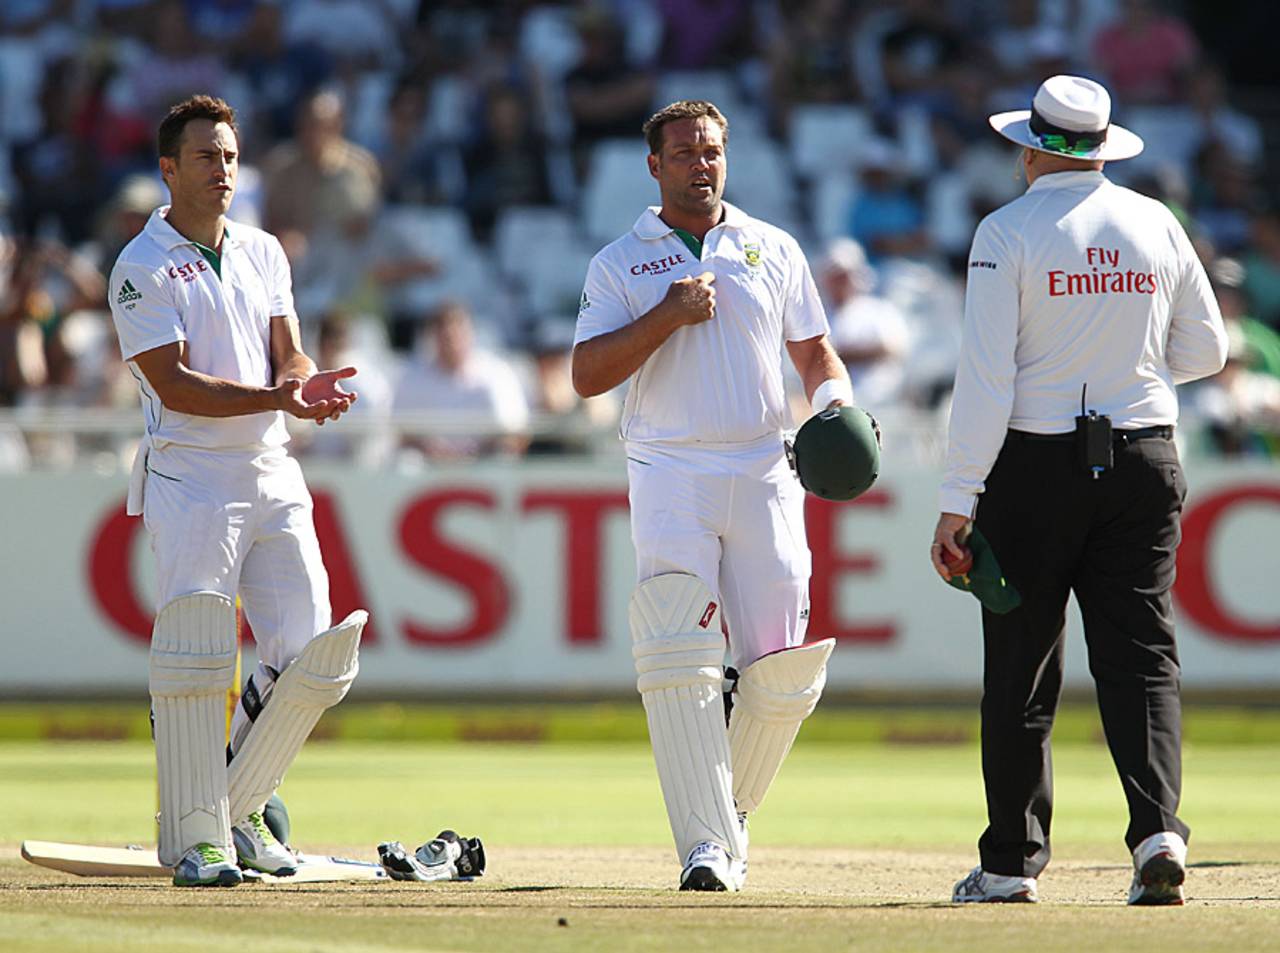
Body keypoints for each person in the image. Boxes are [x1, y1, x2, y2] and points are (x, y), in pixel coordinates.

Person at [931, 76, 1228, 906]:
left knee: (1022, 662)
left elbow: (987, 378)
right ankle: (1158, 832)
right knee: (1141, 652)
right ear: (1101, 147)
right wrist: (1125, 364)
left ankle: (1010, 864)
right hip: (1144, 455)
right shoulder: (1156, 221)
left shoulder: (1005, 230)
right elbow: (1207, 348)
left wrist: (959, 497)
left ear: (1031, 148)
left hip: (1036, 462)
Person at [572, 100, 853, 891]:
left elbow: (816, 350)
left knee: (780, 669)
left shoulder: (772, 247)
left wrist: (835, 403)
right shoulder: (621, 261)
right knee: (677, 652)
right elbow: (587, 375)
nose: (703, 163)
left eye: (714, 150)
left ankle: (722, 816)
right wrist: (667, 314)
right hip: (669, 466)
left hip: (766, 463)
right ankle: (705, 848)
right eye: (686, 152)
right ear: (655, 166)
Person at [107, 95, 367, 887]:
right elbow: (174, 384)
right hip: (192, 474)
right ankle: (200, 839)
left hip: (271, 465)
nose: (222, 170)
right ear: (168, 169)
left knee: (313, 651)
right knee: (196, 652)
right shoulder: (140, 267)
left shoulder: (260, 250)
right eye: (206, 157)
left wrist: (302, 383)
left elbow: (286, 352)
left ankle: (236, 806)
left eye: (229, 156)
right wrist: (277, 397)